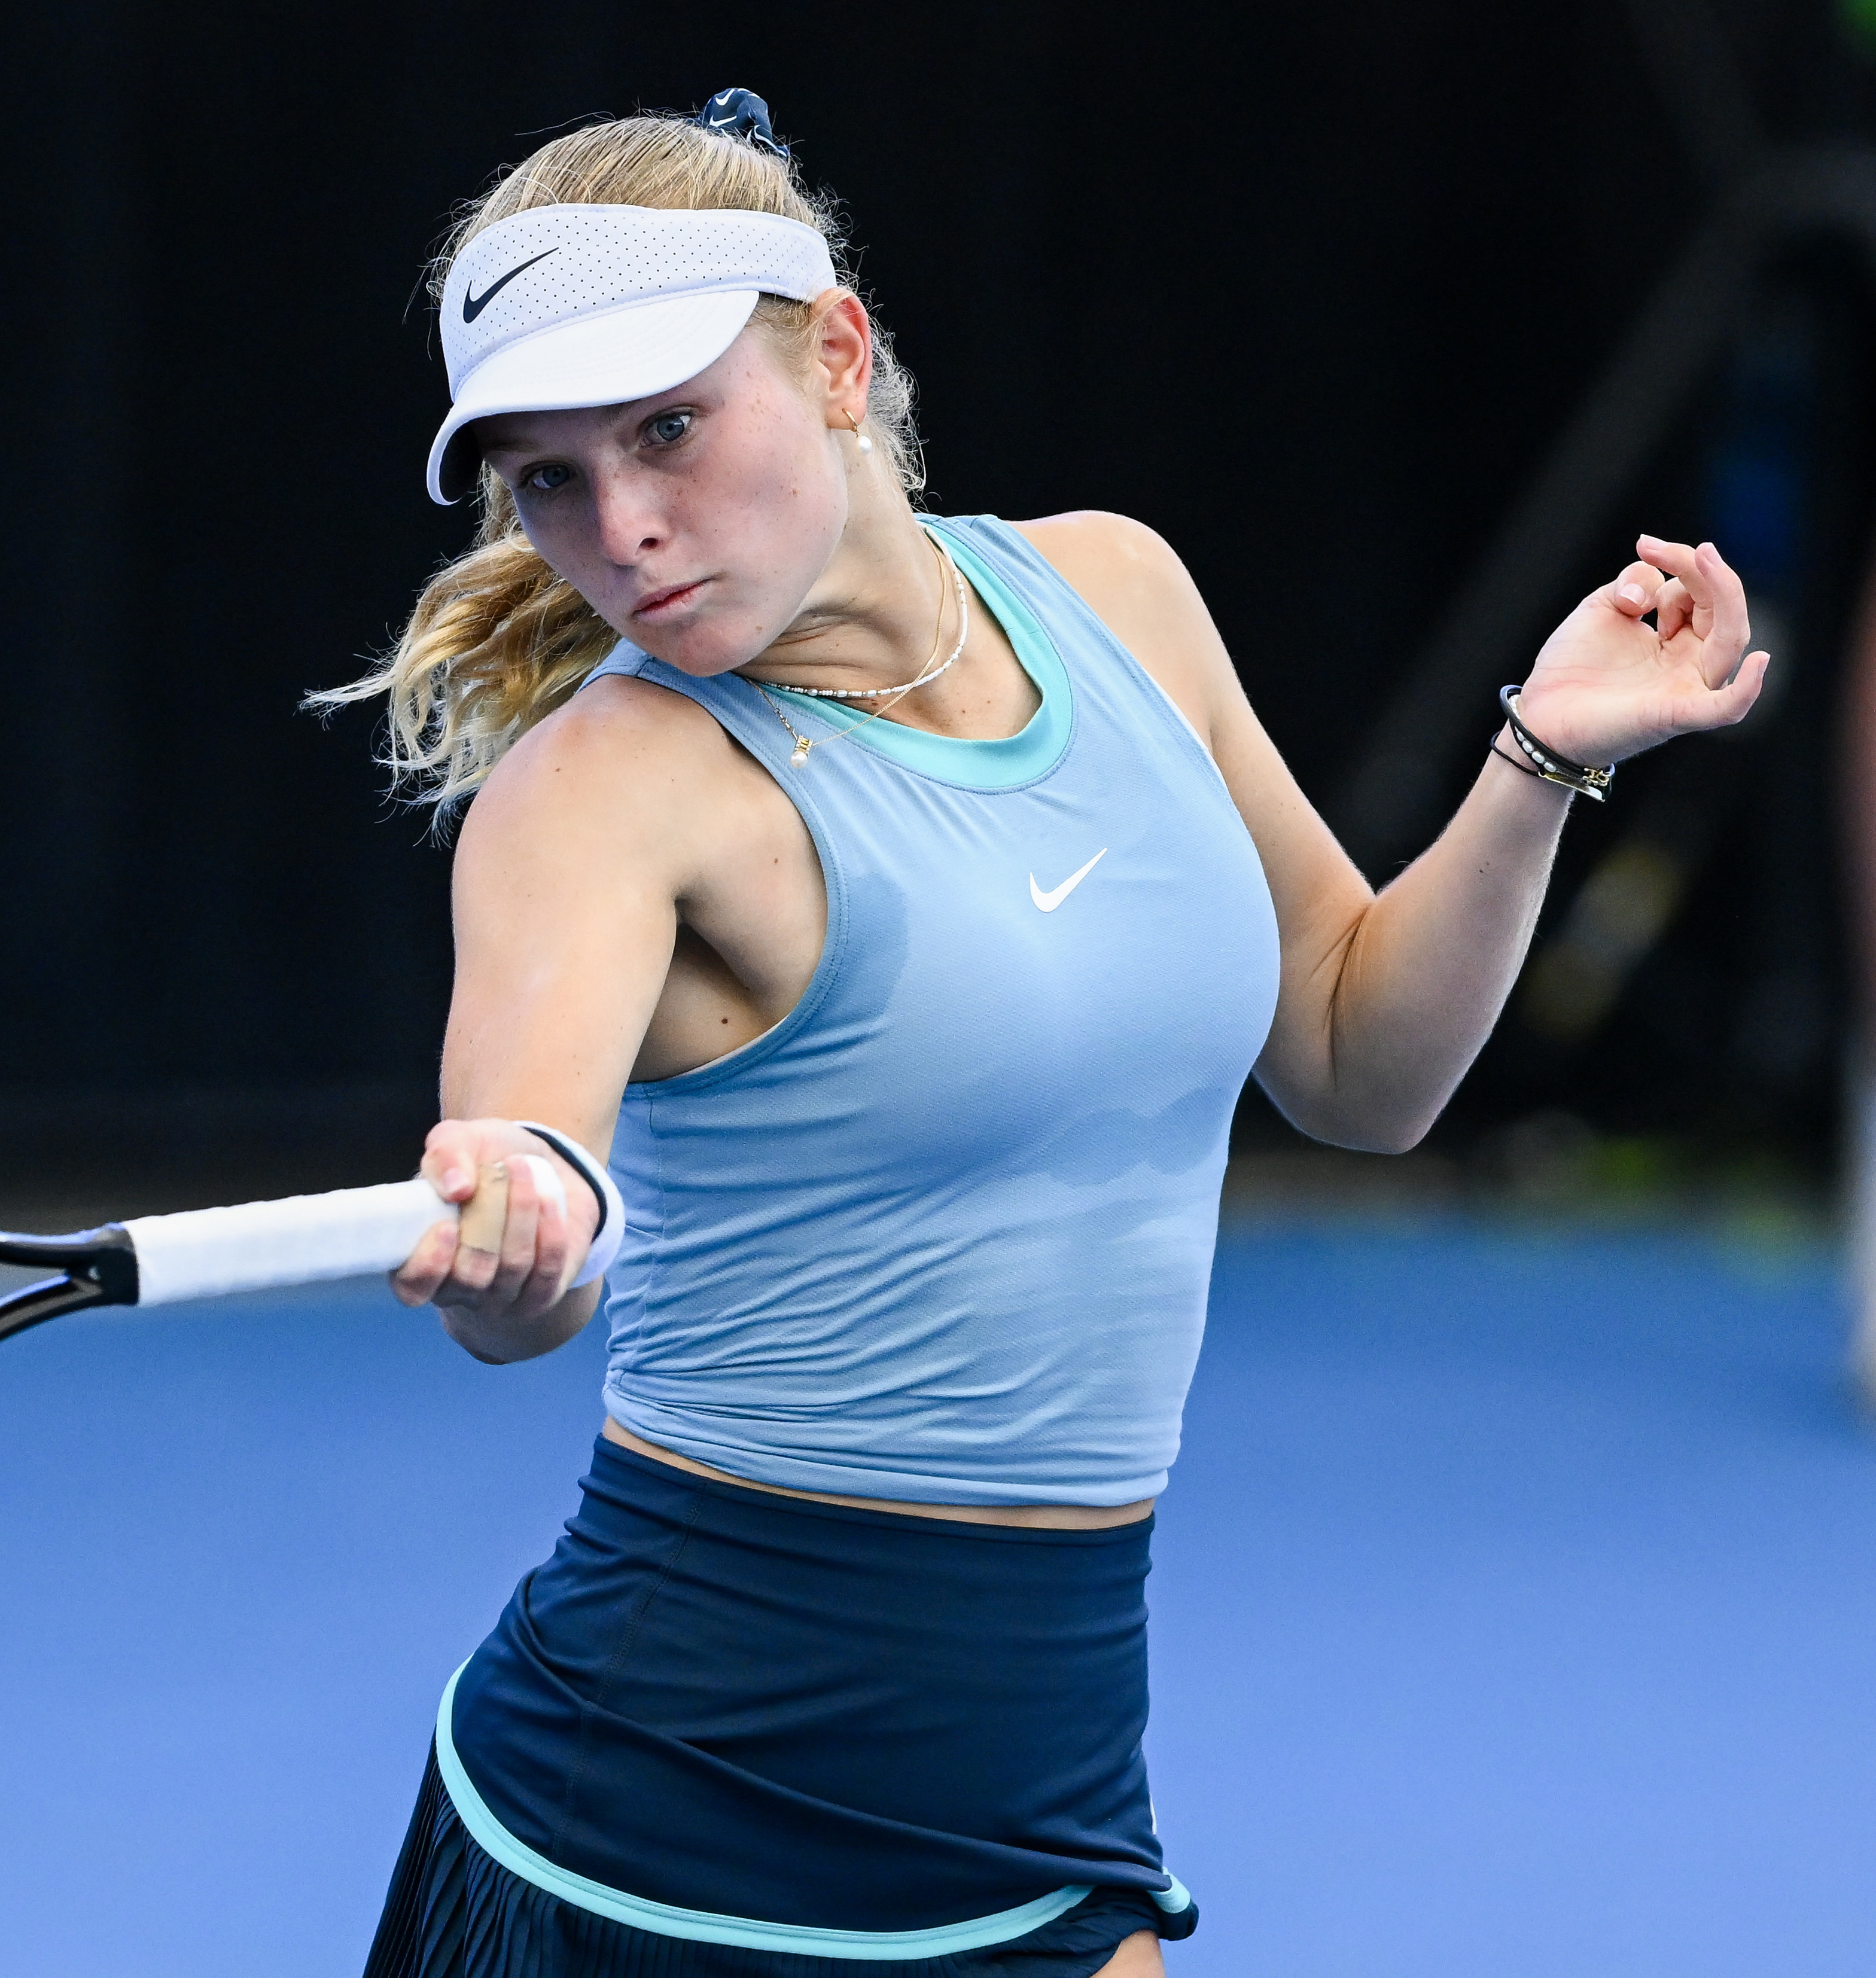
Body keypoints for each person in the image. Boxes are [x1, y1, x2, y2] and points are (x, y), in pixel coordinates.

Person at [316, 90, 1770, 1978]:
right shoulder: (598, 793)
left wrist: (1539, 759)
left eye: (666, 427)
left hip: (1045, 1792)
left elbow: (1358, 1061)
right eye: (547, 482)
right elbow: (534, 1240)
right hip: (659, 1827)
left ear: (834, 356)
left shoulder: (1113, 595)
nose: (624, 528)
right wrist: (514, 1232)